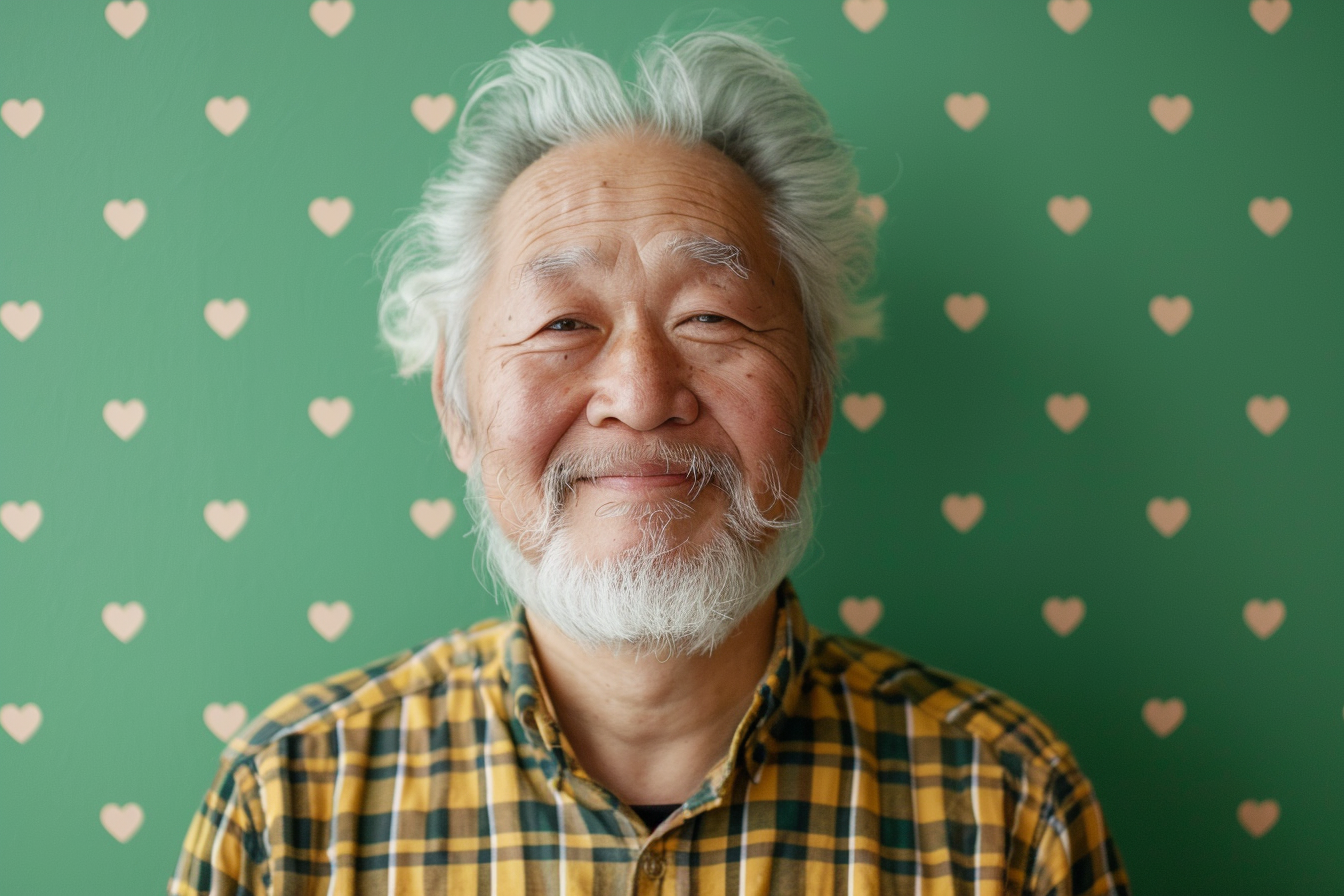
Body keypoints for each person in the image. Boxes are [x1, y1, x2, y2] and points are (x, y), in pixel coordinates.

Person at [170, 27, 1130, 895]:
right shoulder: (291, 805)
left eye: (709, 316)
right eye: (562, 324)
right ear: (456, 410)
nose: (637, 393)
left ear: (817, 399)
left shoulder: (1004, 808)